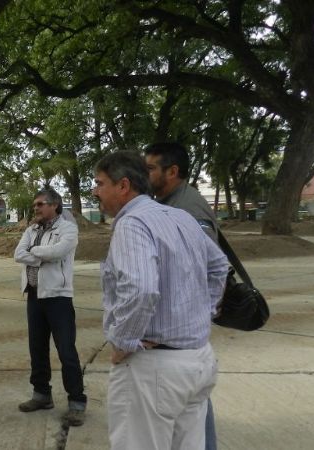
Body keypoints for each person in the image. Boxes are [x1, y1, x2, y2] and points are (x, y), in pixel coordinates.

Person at [93, 152, 228, 450]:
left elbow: (139, 289)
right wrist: (200, 315)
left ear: (123, 185)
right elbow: (219, 266)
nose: (95, 191)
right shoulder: (181, 217)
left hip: (155, 370)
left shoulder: (133, 224)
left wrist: (123, 342)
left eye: (100, 183)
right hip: (197, 359)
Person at [145, 142, 220, 450]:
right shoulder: (169, 203)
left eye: (150, 168)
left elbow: (207, 266)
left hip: (184, 329)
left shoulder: (188, 208)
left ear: (172, 171)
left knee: (194, 410)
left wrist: (200, 312)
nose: (143, 174)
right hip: (180, 326)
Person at [13, 187, 87, 427]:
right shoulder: (31, 229)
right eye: (34, 205)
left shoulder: (67, 228)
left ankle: (77, 402)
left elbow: (58, 252)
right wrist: (38, 254)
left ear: (54, 205)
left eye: (40, 204)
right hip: (34, 297)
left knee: (66, 351)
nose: (36, 208)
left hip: (58, 298)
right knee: (37, 348)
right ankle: (41, 395)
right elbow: (17, 254)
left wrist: (32, 251)